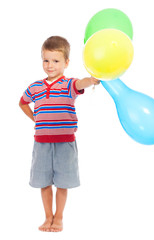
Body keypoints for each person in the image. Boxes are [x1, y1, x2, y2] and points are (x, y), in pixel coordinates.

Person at [19, 36, 100, 232]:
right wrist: (35, 119)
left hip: (65, 143)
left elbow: (81, 84)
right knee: (44, 182)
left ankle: (59, 217)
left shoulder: (68, 84)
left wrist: (91, 79)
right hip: (42, 143)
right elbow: (22, 102)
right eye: (46, 60)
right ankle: (48, 217)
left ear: (66, 63)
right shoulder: (35, 87)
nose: (50, 65)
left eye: (55, 61)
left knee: (62, 183)